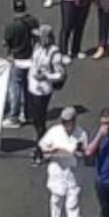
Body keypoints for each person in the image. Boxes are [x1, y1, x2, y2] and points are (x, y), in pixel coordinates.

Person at [38, 107, 89, 217]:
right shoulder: (55, 131)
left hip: (73, 172)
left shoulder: (81, 134)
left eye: (69, 122)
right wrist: (50, 152)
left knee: (72, 203)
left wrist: (80, 154)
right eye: (64, 122)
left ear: (74, 121)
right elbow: (42, 145)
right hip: (57, 171)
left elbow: (84, 151)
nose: (67, 125)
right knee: (57, 198)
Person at [27, 25, 67, 165]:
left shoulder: (54, 54)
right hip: (32, 86)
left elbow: (60, 74)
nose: (38, 38)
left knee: (40, 121)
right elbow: (32, 63)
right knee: (34, 120)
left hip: (43, 90)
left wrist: (45, 75)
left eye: (40, 36)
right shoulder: (37, 47)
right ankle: (41, 146)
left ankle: (41, 151)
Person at [2, 0, 38, 128]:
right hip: (31, 60)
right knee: (28, 88)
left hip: (17, 60)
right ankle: (28, 114)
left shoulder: (11, 26)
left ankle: (14, 117)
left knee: (15, 88)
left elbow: (6, 43)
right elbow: (37, 38)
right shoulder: (33, 21)